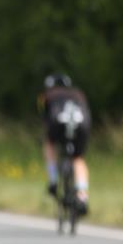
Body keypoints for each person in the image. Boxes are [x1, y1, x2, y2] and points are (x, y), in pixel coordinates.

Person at [39, 72, 91, 214]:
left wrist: (46, 137)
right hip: (81, 124)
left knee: (49, 145)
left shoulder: (47, 95)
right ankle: (82, 195)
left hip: (58, 123)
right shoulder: (79, 94)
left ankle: (53, 180)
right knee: (78, 158)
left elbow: (46, 119)